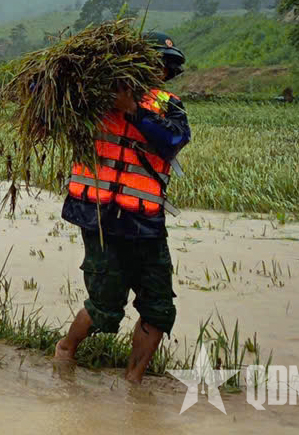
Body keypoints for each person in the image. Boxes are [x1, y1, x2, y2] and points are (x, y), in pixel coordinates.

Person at [54, 32, 190, 384]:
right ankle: (65, 350)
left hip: (145, 220)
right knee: (105, 307)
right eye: (151, 63)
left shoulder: (169, 107)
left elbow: (173, 141)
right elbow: (55, 115)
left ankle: (134, 385)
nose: (157, 70)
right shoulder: (92, 99)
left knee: (159, 308)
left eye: (163, 65)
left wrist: (133, 111)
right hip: (98, 215)